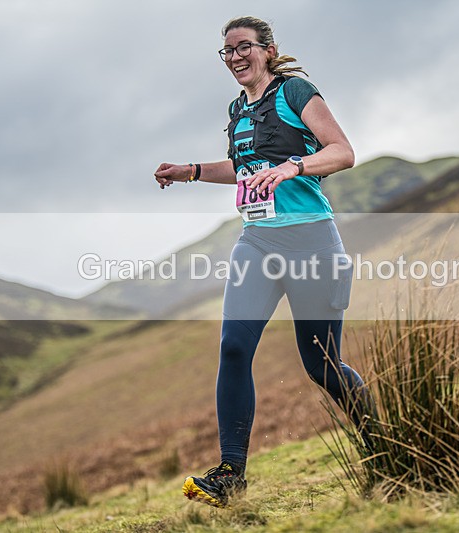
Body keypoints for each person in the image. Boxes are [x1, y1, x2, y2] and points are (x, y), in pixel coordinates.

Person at [154, 16, 372, 508]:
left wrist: (293, 166)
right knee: (233, 348)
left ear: (267, 50)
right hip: (258, 244)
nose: (234, 57)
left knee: (321, 366)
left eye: (243, 47)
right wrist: (189, 171)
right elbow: (242, 168)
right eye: (226, 51)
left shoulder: (296, 93)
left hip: (312, 244)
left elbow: (343, 151)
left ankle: (381, 441)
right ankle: (232, 473)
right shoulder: (237, 110)